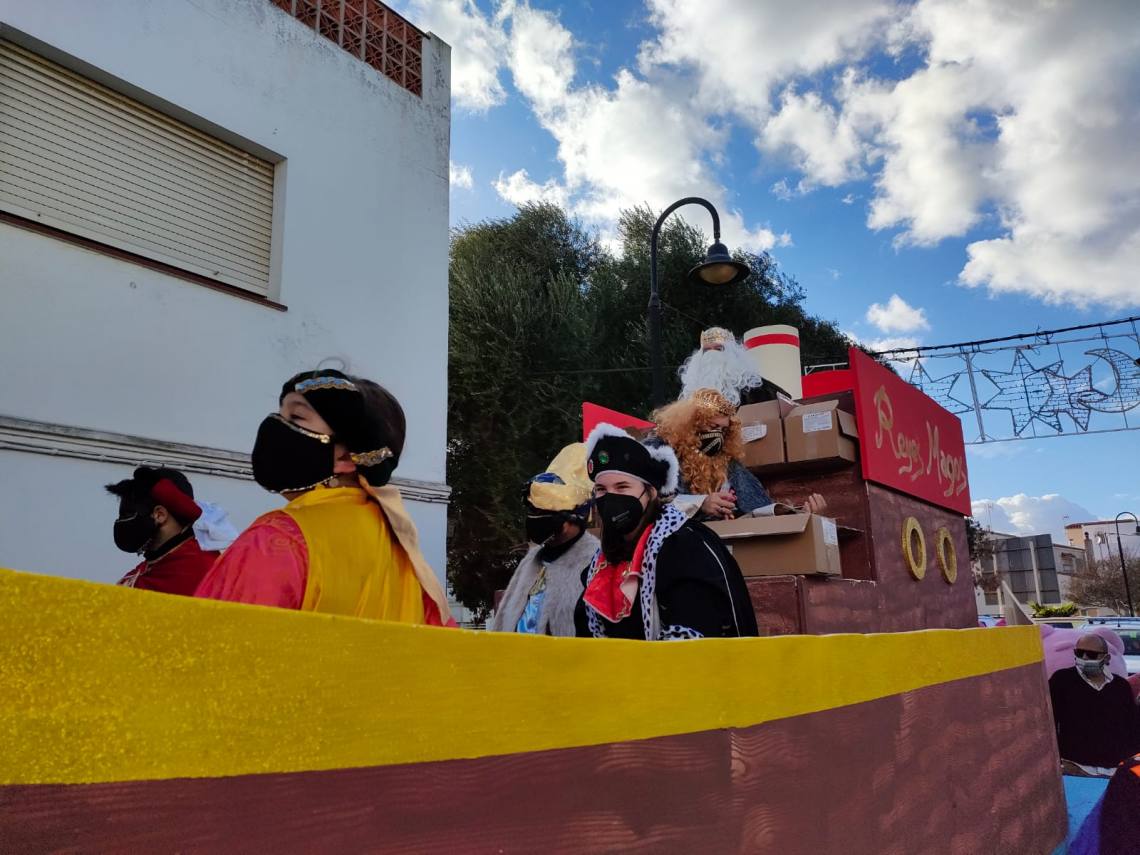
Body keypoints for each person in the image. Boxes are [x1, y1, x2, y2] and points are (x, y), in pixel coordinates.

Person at [195, 369, 452, 626]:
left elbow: (208, 639)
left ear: (345, 456)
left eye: (296, 416)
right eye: (280, 414)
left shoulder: (276, 540)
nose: (274, 426)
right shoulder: (407, 557)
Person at [574, 424, 759, 640]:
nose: (611, 497)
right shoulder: (601, 561)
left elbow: (696, 636)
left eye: (622, 487)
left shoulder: (685, 548)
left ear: (651, 493)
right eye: (601, 489)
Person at [649, 388, 825, 521]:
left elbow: (759, 507)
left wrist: (797, 515)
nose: (718, 435)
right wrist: (700, 503)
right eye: (713, 427)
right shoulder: (660, 450)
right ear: (692, 424)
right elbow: (649, 499)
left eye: (723, 430)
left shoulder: (726, 460)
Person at [487, 443, 598, 636]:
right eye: (534, 511)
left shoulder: (595, 563)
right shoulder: (531, 561)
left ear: (574, 517)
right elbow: (504, 622)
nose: (537, 518)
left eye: (547, 512)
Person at [106, 466, 219, 596]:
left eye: (127, 514)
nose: (121, 522)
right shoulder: (152, 564)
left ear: (160, 515)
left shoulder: (200, 569)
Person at [1048, 632, 1140, 772]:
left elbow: (1131, 725)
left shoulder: (1120, 686)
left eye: (1091, 654)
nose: (1084, 658)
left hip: (1115, 767)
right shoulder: (1062, 680)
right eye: (1079, 653)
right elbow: (1049, 723)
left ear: (1106, 658)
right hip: (1075, 767)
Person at [678, 327, 789, 406]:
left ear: (733, 355)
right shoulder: (689, 399)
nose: (712, 355)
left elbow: (785, 406)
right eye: (707, 350)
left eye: (718, 349)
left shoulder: (760, 390)